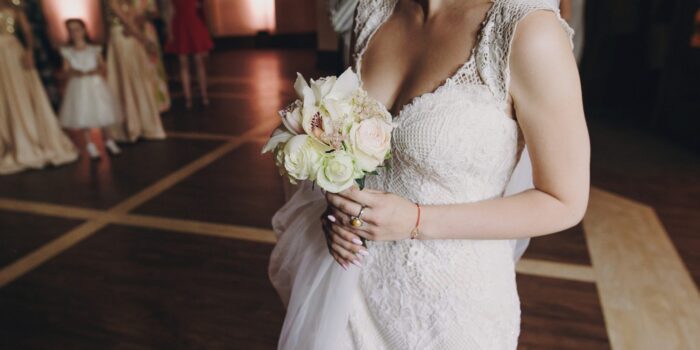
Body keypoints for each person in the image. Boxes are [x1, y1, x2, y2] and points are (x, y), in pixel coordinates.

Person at [269, 0, 590, 349]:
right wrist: (341, 213)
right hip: (351, 294)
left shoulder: (528, 31)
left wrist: (417, 220)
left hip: (450, 313)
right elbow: (357, 152)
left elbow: (565, 201)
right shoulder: (373, 11)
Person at [0, 2, 78, 175]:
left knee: (20, 94)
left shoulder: (14, 9)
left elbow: (27, 32)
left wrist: (29, 51)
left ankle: (28, 137)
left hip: (12, 54)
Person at [59, 18, 122, 160]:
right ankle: (90, 144)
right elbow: (65, 70)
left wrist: (97, 70)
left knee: (103, 112)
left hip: (95, 84)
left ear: (84, 30)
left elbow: (103, 66)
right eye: (71, 30)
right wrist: (75, 72)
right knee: (83, 115)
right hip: (79, 86)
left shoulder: (94, 49)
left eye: (77, 29)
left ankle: (109, 140)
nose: (75, 33)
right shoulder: (68, 52)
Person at [106, 0, 166, 142]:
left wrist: (140, 31)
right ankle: (131, 125)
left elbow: (136, 21)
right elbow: (127, 22)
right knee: (128, 80)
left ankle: (141, 121)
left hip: (132, 39)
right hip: (122, 40)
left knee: (138, 79)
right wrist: (145, 40)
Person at [164, 0, 213, 110]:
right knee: (189, 65)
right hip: (184, 25)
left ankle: (196, 96)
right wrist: (170, 32)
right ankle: (193, 97)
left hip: (187, 25)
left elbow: (169, 12)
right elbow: (169, 12)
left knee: (192, 64)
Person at [134, 0, 171, 112]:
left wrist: (144, 16)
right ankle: (143, 104)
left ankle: (158, 102)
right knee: (138, 67)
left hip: (147, 31)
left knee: (153, 66)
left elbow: (155, 12)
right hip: (132, 33)